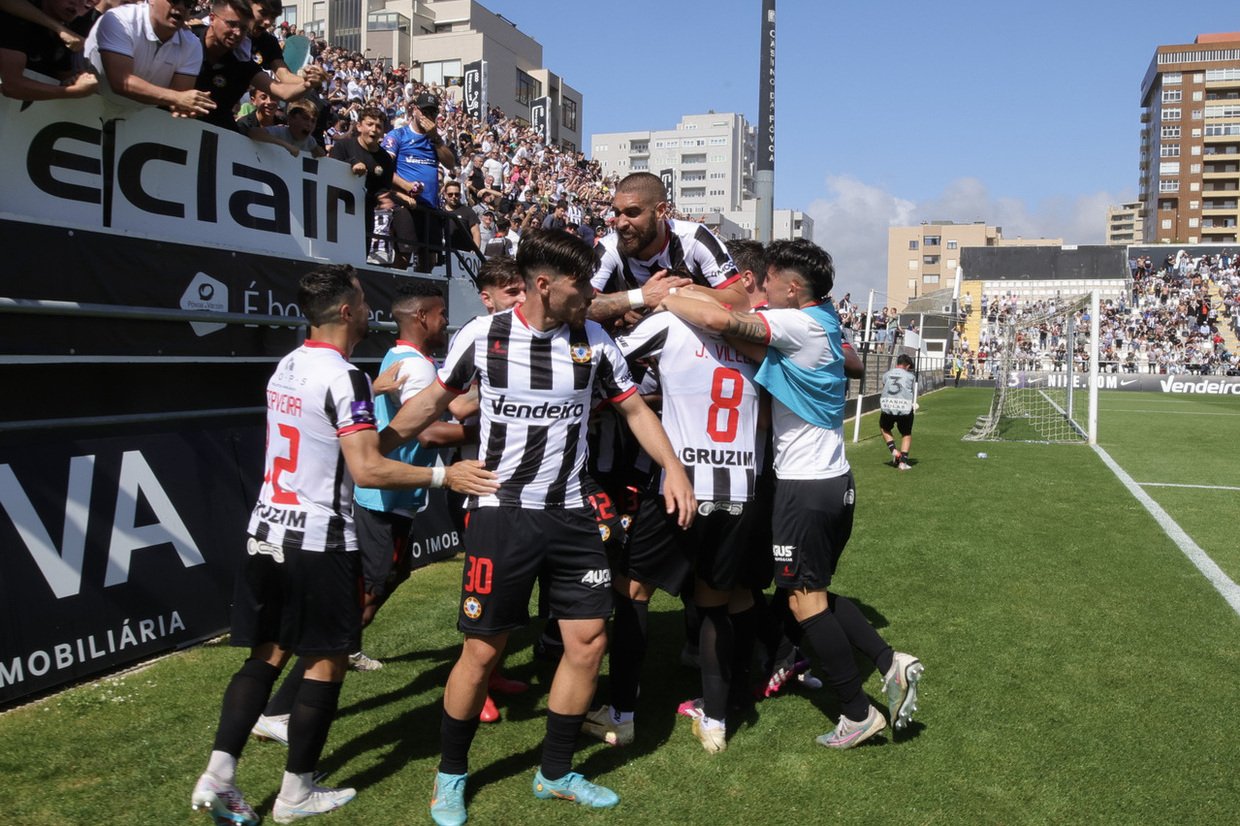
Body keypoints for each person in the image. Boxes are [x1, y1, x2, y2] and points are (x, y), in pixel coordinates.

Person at [378, 230, 697, 826]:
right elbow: (433, 404)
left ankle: (554, 773)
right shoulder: (483, 335)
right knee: (482, 648)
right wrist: (374, 451)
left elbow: (633, 408)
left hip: (574, 514)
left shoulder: (593, 338)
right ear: (545, 286)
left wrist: (673, 467)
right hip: (503, 514)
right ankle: (450, 776)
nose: (591, 297)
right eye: (581, 287)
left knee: (588, 642)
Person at [191, 264, 497, 826]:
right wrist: (442, 478)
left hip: (267, 529)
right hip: (319, 538)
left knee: (267, 653)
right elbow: (366, 469)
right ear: (349, 311)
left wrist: (393, 431)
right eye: (362, 297)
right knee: (327, 662)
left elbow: (338, 446)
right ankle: (295, 793)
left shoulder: (287, 364)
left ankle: (218, 772)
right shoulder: (344, 375)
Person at [661, 238, 924, 750]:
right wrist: (693, 287)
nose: (763, 292)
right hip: (830, 482)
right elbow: (745, 330)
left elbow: (724, 323)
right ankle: (890, 661)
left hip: (804, 486)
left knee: (805, 602)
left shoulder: (799, 324)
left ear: (791, 286)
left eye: (770, 282)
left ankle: (856, 711)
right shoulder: (822, 324)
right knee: (810, 590)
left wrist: (662, 299)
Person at [587, 172, 746, 327]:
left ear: (660, 211)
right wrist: (635, 299)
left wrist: (678, 293)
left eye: (632, 213)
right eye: (617, 213)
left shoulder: (695, 238)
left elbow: (741, 301)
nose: (621, 223)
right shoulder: (608, 247)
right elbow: (579, 304)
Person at [85, 0, 213, 115]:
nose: (181, 7)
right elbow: (121, 82)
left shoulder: (192, 45)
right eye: (174, 0)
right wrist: (178, 98)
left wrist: (189, 106)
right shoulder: (120, 20)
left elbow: (178, 98)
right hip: (86, 105)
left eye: (188, 4)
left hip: (136, 117)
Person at [384, 91, 457, 270]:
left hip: (430, 206)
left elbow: (450, 163)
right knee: (404, 255)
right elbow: (384, 169)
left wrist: (436, 137)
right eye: (425, 112)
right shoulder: (398, 135)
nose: (428, 117)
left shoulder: (435, 140)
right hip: (406, 205)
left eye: (433, 113)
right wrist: (404, 188)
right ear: (415, 110)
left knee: (429, 260)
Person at [328, 106, 395, 256]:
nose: (374, 129)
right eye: (369, 124)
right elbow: (330, 173)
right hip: (337, 212)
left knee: (359, 256)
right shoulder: (343, 146)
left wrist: (383, 198)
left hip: (364, 216)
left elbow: (383, 188)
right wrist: (351, 164)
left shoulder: (385, 159)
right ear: (359, 126)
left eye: (378, 126)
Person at [0, 0, 97, 102]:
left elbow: (63, 76)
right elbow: (10, 86)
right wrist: (73, 91)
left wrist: (73, 82)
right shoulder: (15, 21)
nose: (75, 3)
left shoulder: (68, 37)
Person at [879, 354, 917, 470]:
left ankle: (894, 450)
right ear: (908, 366)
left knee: (884, 428)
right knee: (906, 434)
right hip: (904, 408)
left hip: (888, 406)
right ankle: (903, 463)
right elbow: (913, 391)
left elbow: (885, 386)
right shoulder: (910, 376)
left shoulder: (887, 374)